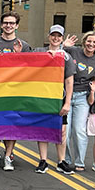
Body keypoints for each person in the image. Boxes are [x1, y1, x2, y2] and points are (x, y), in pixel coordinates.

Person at [0, 11, 31, 171]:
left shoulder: (24, 45)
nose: (8, 25)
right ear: (2, 25)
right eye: (6, 22)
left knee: (12, 125)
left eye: (12, 23)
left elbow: (29, 70)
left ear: (17, 25)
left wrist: (18, 56)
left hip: (15, 92)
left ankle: (8, 156)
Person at [33, 25, 75, 174]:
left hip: (59, 98)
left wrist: (68, 102)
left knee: (62, 131)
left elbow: (69, 81)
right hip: (42, 97)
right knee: (43, 129)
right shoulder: (39, 52)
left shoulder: (66, 57)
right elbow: (26, 64)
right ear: (49, 36)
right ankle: (43, 160)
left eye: (59, 36)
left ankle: (61, 161)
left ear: (62, 38)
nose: (55, 38)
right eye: (53, 35)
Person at [63, 31, 95, 171]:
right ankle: (66, 160)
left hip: (83, 97)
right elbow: (58, 58)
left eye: (94, 42)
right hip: (67, 95)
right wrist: (64, 46)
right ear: (84, 41)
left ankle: (79, 161)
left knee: (79, 130)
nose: (91, 44)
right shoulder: (73, 51)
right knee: (66, 130)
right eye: (89, 41)